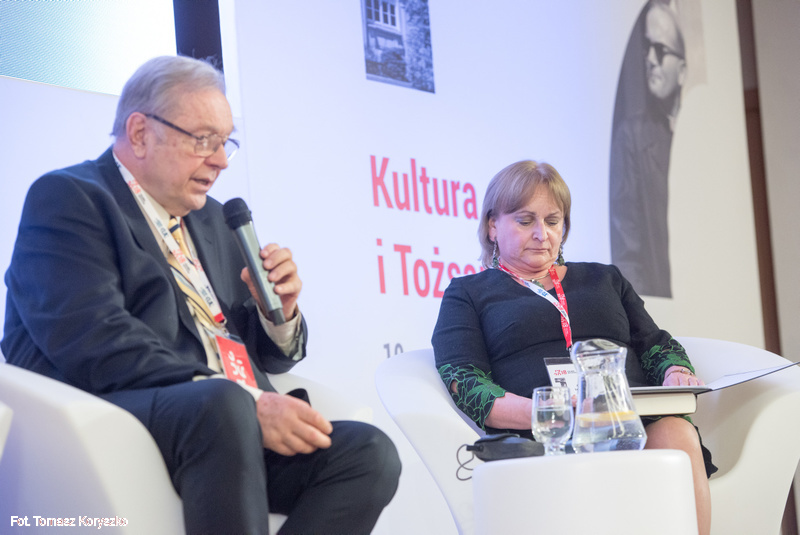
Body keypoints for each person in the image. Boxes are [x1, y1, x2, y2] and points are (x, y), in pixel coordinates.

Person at [2, 55, 400, 534]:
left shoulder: (212, 219)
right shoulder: (71, 198)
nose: (221, 160)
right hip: (124, 409)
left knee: (369, 453)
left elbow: (259, 353)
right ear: (140, 132)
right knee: (223, 405)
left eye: (226, 142)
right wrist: (245, 400)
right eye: (203, 140)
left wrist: (278, 314)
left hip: (225, 418)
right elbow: (94, 339)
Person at [433, 160, 714, 535]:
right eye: (525, 221)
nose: (542, 234)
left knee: (677, 433)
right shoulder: (467, 292)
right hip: (543, 433)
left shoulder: (605, 278)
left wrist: (674, 370)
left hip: (630, 422)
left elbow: (654, 344)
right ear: (492, 226)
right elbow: (464, 379)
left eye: (553, 221)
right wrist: (549, 413)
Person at [609, 0, 687, 298]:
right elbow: (627, 254)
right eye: (648, 49)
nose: (651, 59)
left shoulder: (693, 138)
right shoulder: (631, 137)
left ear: (683, 70)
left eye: (661, 50)